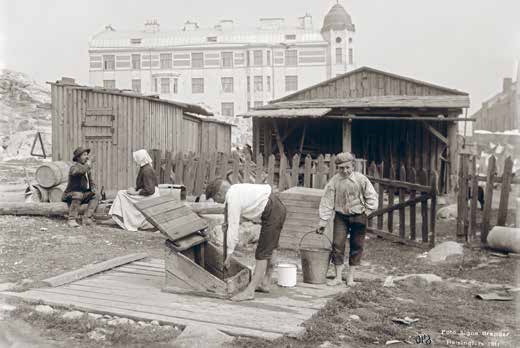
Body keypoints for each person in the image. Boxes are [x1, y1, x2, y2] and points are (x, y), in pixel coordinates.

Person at [205, 179, 286, 301]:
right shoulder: (236, 189)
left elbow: (233, 229)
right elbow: (245, 211)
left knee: (262, 254)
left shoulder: (232, 199)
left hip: (271, 211)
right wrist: (227, 221)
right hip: (278, 205)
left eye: (215, 200)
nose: (217, 202)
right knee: (271, 248)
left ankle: (250, 291)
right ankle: (265, 283)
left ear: (219, 194)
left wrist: (229, 254)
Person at [317, 152, 378, 286]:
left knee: (357, 245)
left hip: (358, 216)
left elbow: (372, 196)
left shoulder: (361, 180)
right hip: (341, 217)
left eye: (347, 167)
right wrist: (323, 221)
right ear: (337, 168)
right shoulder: (334, 181)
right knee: (337, 244)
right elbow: (327, 201)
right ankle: (338, 277)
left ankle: (350, 277)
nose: (345, 171)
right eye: (341, 168)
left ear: (353, 166)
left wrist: (366, 212)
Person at [109, 149, 160, 231]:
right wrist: (135, 189)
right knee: (122, 193)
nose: (135, 160)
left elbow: (150, 190)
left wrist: (135, 193)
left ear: (140, 158)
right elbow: (144, 185)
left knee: (121, 194)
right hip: (147, 193)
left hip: (150, 196)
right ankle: (121, 217)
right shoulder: (144, 167)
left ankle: (124, 219)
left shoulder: (147, 170)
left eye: (136, 158)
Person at [62, 147, 99, 228]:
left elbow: (91, 181)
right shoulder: (74, 167)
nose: (87, 157)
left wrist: (93, 188)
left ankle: (87, 218)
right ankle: (71, 219)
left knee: (96, 194)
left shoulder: (87, 169)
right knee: (78, 194)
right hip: (70, 194)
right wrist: (89, 164)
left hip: (82, 195)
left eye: (87, 155)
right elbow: (78, 172)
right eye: (84, 155)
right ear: (78, 158)